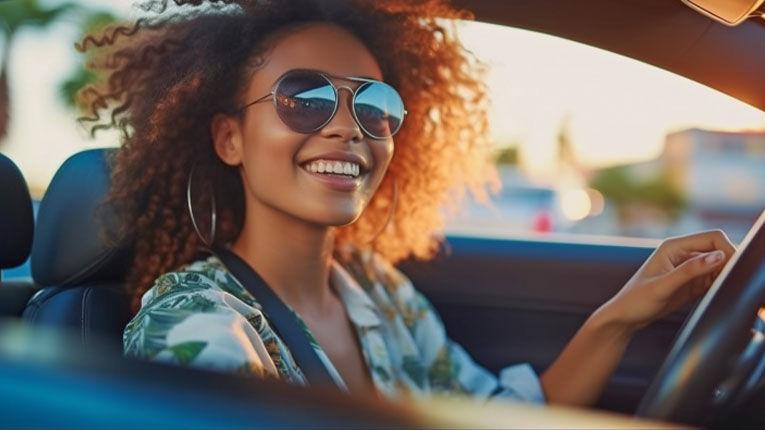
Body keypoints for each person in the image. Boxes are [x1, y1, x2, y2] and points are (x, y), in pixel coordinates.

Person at [80, 0, 736, 405]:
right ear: (229, 138)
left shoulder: (378, 290)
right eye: (302, 98)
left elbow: (495, 414)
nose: (346, 127)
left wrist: (617, 318)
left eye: (374, 106)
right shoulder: (196, 317)